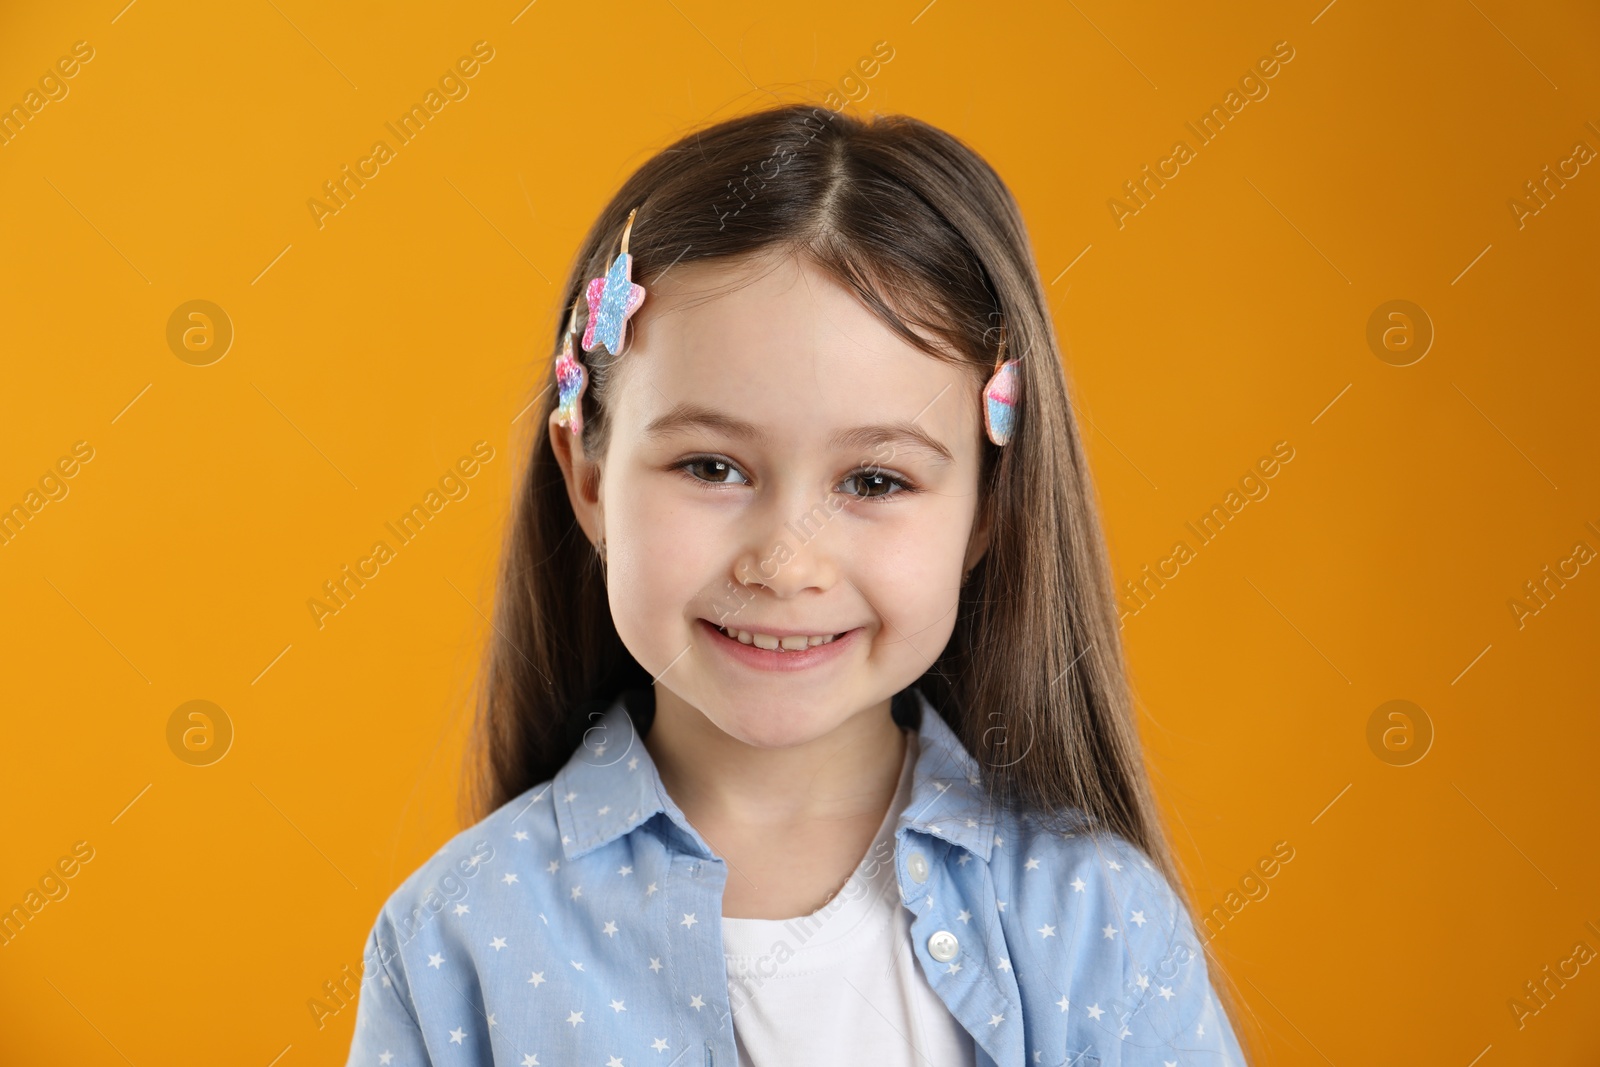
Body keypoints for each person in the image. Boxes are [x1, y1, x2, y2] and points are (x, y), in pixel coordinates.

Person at [343, 103, 1247, 1066]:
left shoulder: (1093, 920)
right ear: (590, 477)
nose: (785, 562)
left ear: (987, 512)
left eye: (874, 481)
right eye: (710, 467)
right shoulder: (460, 938)